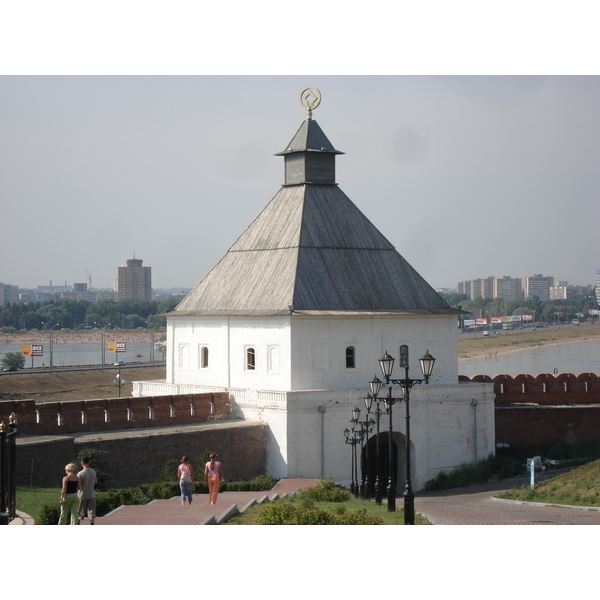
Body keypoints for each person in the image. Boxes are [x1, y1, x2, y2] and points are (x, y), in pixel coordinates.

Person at [77, 455, 98, 525]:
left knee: (80, 512)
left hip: (82, 495)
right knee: (91, 511)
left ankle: (78, 524)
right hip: (91, 494)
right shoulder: (93, 472)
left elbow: (78, 486)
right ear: (89, 462)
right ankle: (92, 523)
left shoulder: (80, 473)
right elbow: (95, 482)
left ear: (82, 463)